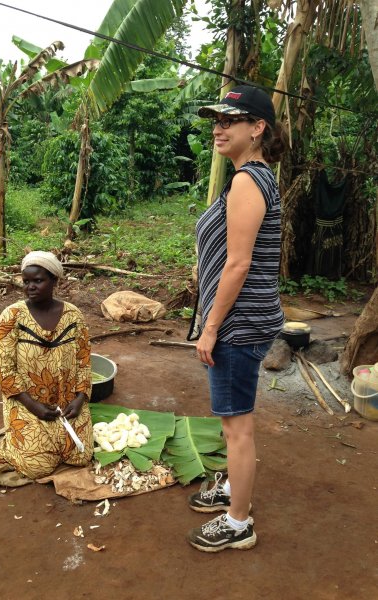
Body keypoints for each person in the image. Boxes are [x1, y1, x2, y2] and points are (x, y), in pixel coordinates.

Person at [186, 85, 288, 552]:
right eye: (216, 120)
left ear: (258, 128)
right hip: (246, 319)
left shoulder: (249, 181)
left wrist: (210, 328)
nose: (219, 127)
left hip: (238, 324)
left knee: (236, 425)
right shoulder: (253, 176)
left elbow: (239, 264)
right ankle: (233, 490)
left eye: (231, 120)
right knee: (235, 420)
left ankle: (238, 521)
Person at [0, 251, 93, 479]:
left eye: (38, 281)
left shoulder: (73, 316)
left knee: (81, 455)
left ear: (54, 281)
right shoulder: (12, 316)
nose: (30, 287)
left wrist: (80, 399)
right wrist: (32, 405)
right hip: (27, 401)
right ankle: (11, 446)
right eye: (26, 281)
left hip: (67, 401)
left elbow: (84, 360)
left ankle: (41, 441)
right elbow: (3, 368)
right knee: (38, 467)